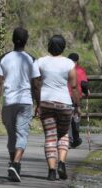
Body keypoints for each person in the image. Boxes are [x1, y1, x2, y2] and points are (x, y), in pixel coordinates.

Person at [0, 27, 41, 182]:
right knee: (22, 134)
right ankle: (16, 163)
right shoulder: (31, 59)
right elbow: (36, 85)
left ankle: (13, 165)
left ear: (13, 40)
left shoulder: (3, 58)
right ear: (26, 41)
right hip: (25, 102)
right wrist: (39, 103)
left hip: (8, 102)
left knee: (12, 136)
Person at [35, 35, 81, 181]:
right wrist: (77, 105)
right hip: (64, 104)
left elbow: (35, 84)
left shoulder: (40, 62)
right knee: (63, 135)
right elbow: (73, 87)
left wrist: (38, 103)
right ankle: (61, 163)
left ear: (49, 46)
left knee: (50, 136)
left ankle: (51, 171)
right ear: (63, 47)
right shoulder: (69, 64)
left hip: (46, 102)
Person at [67, 53, 89, 148]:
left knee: (67, 117)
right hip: (76, 96)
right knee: (76, 116)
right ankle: (76, 138)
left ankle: (68, 139)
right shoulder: (80, 70)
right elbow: (84, 83)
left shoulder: (65, 69)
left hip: (65, 95)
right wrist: (86, 92)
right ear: (77, 60)